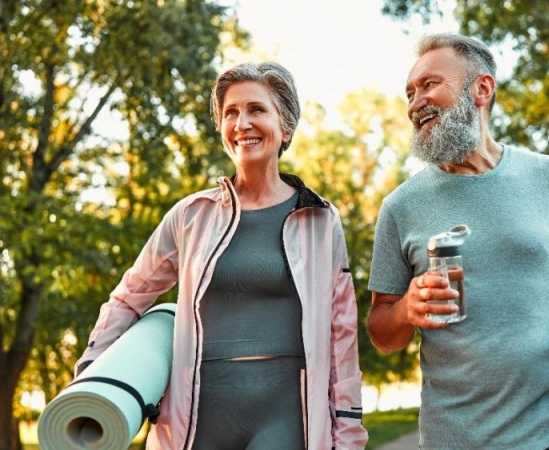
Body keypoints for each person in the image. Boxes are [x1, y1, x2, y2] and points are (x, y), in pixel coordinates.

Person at [366, 33, 549, 450]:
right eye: (410, 93)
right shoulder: (400, 207)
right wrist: (405, 309)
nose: (416, 102)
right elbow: (383, 333)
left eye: (429, 84)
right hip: (457, 439)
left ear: (482, 88)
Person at [76, 61, 368, 450]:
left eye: (257, 109)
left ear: (286, 127)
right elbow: (130, 297)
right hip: (198, 418)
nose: (242, 123)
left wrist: (348, 430)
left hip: (286, 417)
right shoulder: (190, 216)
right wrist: (90, 374)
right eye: (231, 112)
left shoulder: (320, 220)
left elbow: (341, 331)